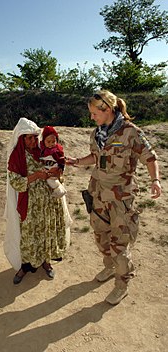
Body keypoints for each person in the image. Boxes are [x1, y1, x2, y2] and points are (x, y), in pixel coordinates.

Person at [66, 90, 161, 305]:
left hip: (120, 198)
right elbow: (95, 156)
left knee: (120, 244)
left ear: (107, 109)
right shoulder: (97, 133)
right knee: (101, 237)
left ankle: (122, 284)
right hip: (98, 194)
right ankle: (109, 267)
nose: (92, 117)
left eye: (94, 113)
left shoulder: (130, 132)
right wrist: (77, 161)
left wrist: (155, 180)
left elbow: (150, 157)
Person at [4, 117, 71, 285]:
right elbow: (16, 182)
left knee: (47, 231)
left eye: (35, 137)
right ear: (22, 139)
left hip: (48, 203)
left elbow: (60, 173)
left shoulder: (45, 151)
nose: (34, 141)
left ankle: (46, 262)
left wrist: (57, 174)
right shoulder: (16, 157)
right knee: (29, 235)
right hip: (31, 205)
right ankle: (25, 266)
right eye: (29, 138)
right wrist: (35, 176)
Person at [40, 125, 67, 198]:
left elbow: (61, 160)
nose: (51, 144)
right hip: (47, 167)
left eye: (53, 141)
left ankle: (59, 191)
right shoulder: (43, 149)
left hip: (54, 167)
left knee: (51, 180)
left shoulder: (55, 151)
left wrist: (61, 167)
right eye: (48, 142)